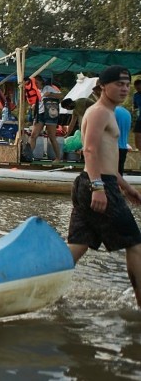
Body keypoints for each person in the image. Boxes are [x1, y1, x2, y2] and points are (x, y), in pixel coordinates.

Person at [68, 66, 141, 307]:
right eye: (119, 84)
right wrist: (98, 187)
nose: (124, 88)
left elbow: (107, 160)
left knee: (77, 246)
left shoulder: (108, 112)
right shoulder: (99, 112)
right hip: (96, 183)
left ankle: (37, 289)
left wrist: (126, 187)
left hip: (94, 181)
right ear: (102, 86)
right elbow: (89, 150)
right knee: (135, 244)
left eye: (127, 84)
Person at [28, 75, 63, 163]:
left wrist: (50, 94)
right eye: (34, 83)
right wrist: (33, 106)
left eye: (37, 83)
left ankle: (58, 158)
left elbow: (61, 95)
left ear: (41, 82)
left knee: (51, 137)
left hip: (50, 114)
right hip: (40, 114)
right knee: (33, 135)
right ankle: (28, 156)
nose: (36, 85)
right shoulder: (35, 91)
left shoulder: (47, 88)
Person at [116, 105, 131, 175]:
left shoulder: (110, 111)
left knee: (110, 176)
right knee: (119, 173)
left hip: (112, 148)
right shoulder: (127, 113)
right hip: (123, 148)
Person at [133, 79, 141, 150]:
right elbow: (135, 106)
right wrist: (134, 110)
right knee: (137, 134)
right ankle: (139, 149)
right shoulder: (136, 95)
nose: (137, 89)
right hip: (140, 118)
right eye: (136, 88)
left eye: (138, 88)